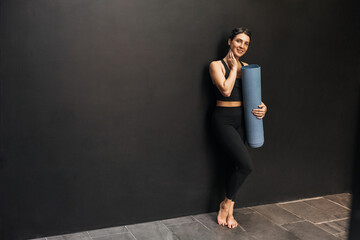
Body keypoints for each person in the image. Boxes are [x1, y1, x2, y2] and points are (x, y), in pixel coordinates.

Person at [209, 27, 267, 229]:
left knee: (235, 166)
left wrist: (263, 107)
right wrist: (234, 68)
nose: (242, 46)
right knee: (246, 165)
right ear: (229, 41)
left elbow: (253, 96)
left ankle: (230, 209)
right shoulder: (216, 65)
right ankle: (225, 205)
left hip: (243, 120)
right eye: (239, 41)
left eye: (246, 43)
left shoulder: (249, 67)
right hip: (223, 120)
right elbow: (225, 90)